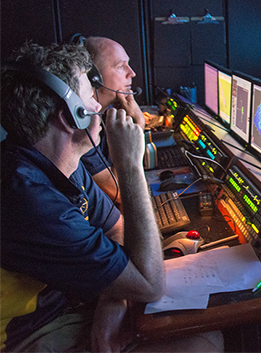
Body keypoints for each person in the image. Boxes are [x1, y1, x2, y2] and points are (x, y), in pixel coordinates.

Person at [0, 42, 223, 352]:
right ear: (72, 116)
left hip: (68, 302)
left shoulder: (62, 164)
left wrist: (111, 296)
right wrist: (129, 164)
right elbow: (149, 284)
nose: (98, 106)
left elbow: (116, 227)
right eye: (91, 97)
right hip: (30, 332)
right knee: (202, 343)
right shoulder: (29, 198)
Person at [80, 36, 145, 207]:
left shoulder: (106, 113)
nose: (132, 73)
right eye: (120, 66)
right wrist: (138, 124)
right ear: (94, 77)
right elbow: (121, 191)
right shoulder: (82, 128)